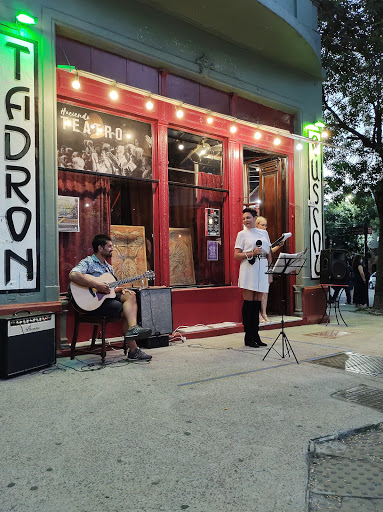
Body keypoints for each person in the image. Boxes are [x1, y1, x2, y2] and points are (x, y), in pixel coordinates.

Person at [69, 234, 152, 361]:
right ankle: (133, 349)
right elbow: (73, 275)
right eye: (109, 246)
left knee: (129, 296)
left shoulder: (108, 267)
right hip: (93, 303)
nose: (112, 248)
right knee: (125, 311)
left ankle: (133, 329)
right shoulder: (88, 262)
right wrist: (96, 284)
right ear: (100, 248)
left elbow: (110, 289)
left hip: (106, 300)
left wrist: (122, 289)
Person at [234, 208, 270, 348]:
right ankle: (248, 336)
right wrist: (252, 253)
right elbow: (237, 255)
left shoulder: (264, 233)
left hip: (262, 268)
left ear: (255, 218)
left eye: (248, 217)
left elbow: (268, 252)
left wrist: (270, 272)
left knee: (257, 304)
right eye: (244, 219)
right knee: (249, 304)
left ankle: (256, 335)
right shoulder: (241, 234)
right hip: (249, 268)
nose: (245, 221)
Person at [255, 216, 285, 322]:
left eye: (265, 225)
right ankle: (258, 313)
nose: (264, 227)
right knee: (257, 290)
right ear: (256, 224)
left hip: (265, 262)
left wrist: (278, 247)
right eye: (262, 225)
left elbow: (269, 251)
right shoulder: (252, 235)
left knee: (265, 290)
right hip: (256, 263)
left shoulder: (265, 235)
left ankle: (264, 312)